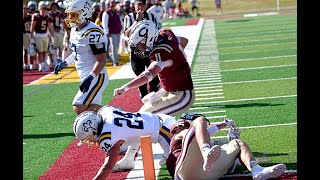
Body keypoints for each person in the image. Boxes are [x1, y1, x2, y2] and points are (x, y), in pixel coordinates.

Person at [166, 113, 287, 180]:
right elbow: (194, 131)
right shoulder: (179, 134)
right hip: (184, 172)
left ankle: (256, 170)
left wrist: (232, 139)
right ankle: (205, 151)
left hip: (205, 173)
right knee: (200, 121)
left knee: (239, 144)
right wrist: (222, 124)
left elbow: (219, 148)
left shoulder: (200, 141)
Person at [114, 20, 195, 117]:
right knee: (143, 111)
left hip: (182, 95)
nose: (139, 48)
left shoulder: (160, 52)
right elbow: (184, 41)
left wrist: (125, 88)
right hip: (169, 90)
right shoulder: (163, 35)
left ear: (148, 39)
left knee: (144, 118)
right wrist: (178, 61)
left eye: (140, 44)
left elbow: (147, 76)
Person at [73, 105, 177, 179]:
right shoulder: (106, 112)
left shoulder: (108, 136)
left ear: (94, 129)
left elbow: (108, 167)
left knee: (177, 171)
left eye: (89, 138)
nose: (90, 141)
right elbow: (118, 112)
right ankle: (128, 160)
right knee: (132, 134)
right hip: (157, 119)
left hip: (164, 130)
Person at [53, 0, 109, 115]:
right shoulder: (75, 29)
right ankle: (103, 128)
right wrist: (65, 63)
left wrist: (90, 78)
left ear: (84, 13)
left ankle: (116, 114)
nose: (70, 18)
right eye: (69, 14)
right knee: (91, 111)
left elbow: (101, 60)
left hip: (96, 76)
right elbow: (78, 53)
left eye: (73, 14)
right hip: (86, 75)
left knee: (79, 108)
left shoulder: (93, 32)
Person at [122, 0, 160, 100]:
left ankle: (154, 97)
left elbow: (156, 31)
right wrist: (137, 21)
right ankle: (144, 99)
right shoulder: (129, 17)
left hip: (149, 50)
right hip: (136, 52)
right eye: (138, 5)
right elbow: (126, 33)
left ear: (145, 5)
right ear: (134, 6)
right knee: (140, 77)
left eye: (142, 5)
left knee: (154, 77)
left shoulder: (151, 16)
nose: (140, 7)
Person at [101, 0, 123, 67]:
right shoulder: (107, 12)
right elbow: (104, 23)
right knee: (114, 47)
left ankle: (115, 59)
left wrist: (122, 29)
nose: (114, 4)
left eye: (115, 3)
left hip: (118, 31)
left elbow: (120, 21)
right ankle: (115, 62)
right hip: (112, 32)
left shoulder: (117, 12)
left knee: (117, 46)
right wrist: (106, 32)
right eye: (113, 3)